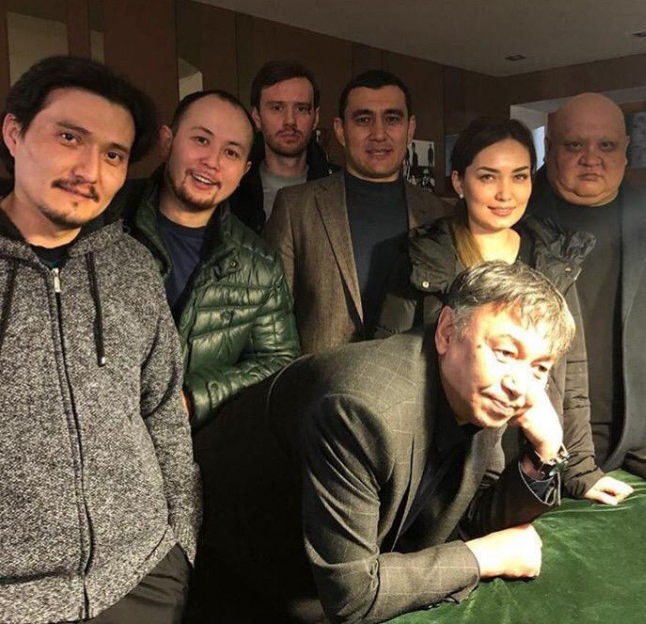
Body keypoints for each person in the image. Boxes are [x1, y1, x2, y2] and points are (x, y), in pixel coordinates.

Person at [192, 261, 577, 623]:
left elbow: (473, 519)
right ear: (447, 332)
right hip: (242, 580)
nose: (519, 386)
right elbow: (352, 596)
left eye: (539, 367)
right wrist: (481, 558)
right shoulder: (360, 410)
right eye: (505, 352)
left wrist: (544, 453)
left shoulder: (482, 391)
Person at [0, 55, 200, 623]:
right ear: (14, 133)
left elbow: (164, 410)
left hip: (141, 580)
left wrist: (179, 545)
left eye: (113, 154)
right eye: (70, 137)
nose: (89, 170)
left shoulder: (132, 267)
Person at [377, 116, 632, 503]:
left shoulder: (553, 257)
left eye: (519, 176)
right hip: (443, 465)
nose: (505, 194)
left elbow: (572, 374)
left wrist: (579, 469)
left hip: (527, 459)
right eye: (488, 177)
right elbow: (389, 362)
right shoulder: (425, 255)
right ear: (459, 182)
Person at [528, 92, 646, 469]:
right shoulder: (507, 221)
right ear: (550, 147)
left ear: (625, 149)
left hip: (639, 453)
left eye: (605, 145)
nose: (591, 158)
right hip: (525, 451)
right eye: (574, 145)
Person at [112, 90, 300, 430]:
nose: (212, 162)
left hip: (197, 444)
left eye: (230, 152)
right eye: (201, 140)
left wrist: (193, 397)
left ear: (244, 170)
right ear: (167, 142)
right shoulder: (107, 222)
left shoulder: (258, 263)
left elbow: (278, 361)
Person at [264, 69, 449, 353]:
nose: (379, 133)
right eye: (363, 119)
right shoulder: (295, 207)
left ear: (410, 128)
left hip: (413, 377)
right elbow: (270, 323)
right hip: (322, 378)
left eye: (392, 119)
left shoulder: (439, 213)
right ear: (341, 130)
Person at [229, 60, 336, 232]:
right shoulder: (231, 189)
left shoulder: (340, 187)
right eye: (277, 108)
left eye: (301, 109)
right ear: (257, 117)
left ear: (315, 117)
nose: (290, 121)